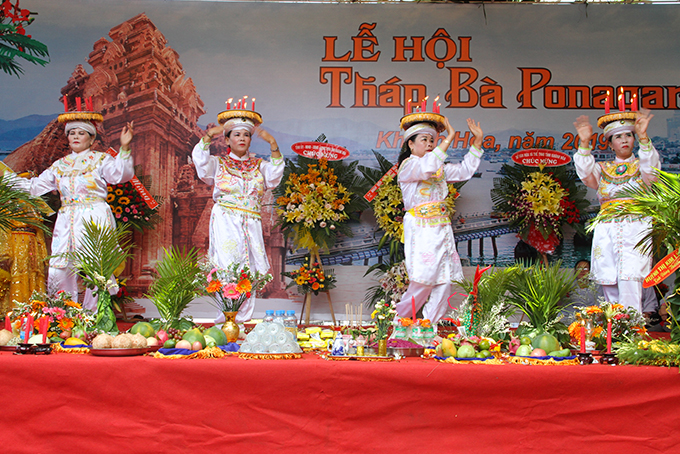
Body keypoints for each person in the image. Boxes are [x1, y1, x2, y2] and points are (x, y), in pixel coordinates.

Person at [9, 115, 134, 311]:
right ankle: (63, 314)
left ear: (91, 139)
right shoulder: (60, 165)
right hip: (67, 218)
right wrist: (6, 179)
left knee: (96, 267)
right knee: (60, 267)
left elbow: (121, 174)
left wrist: (124, 148)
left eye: (81, 133)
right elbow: (34, 187)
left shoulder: (101, 159)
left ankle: (95, 316)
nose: (75, 137)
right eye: (72, 133)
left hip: (94, 215)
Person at [192, 115, 284, 322]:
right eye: (236, 134)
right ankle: (226, 318)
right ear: (226, 140)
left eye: (246, 135)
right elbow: (200, 163)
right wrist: (207, 136)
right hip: (226, 219)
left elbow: (275, 176)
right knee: (227, 266)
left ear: (251, 140)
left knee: (249, 267)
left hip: (251, 222)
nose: (241, 138)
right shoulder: (217, 163)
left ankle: (243, 320)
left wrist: (273, 144)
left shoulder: (259, 165)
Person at [395, 116, 484, 324]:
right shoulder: (409, 166)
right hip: (421, 228)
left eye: (432, 140)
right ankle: (400, 321)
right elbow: (426, 167)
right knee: (423, 280)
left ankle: (428, 326)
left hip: (442, 230)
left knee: (445, 281)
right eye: (424, 140)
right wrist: (449, 138)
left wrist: (477, 142)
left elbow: (464, 171)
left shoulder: (438, 168)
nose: (429, 144)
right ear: (411, 144)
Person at [573, 109, 660, 312]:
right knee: (608, 280)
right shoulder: (603, 169)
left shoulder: (642, 165)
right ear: (610, 144)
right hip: (607, 230)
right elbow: (586, 174)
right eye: (618, 137)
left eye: (629, 135)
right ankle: (612, 332)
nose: (624, 140)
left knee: (630, 279)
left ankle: (632, 331)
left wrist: (644, 136)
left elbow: (652, 172)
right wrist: (584, 142)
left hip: (634, 228)